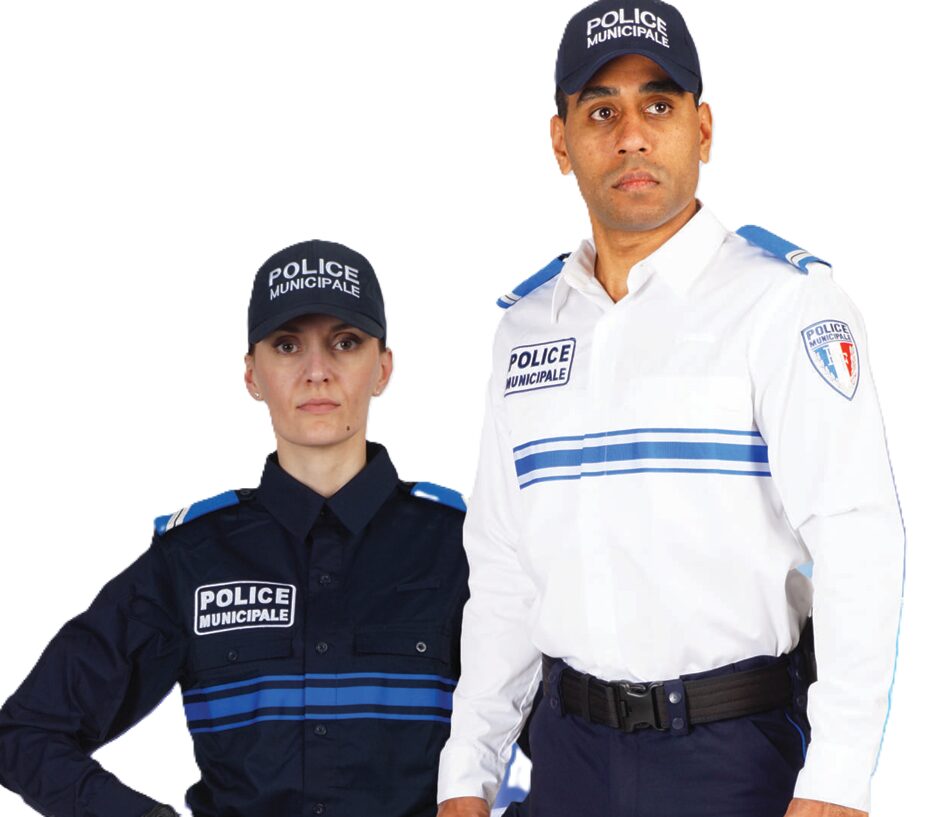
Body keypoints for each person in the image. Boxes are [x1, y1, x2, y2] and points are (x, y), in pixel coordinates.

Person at [436, 2, 905, 816]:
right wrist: (465, 773)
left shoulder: (782, 305)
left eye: (657, 105)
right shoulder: (526, 329)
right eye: (600, 112)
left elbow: (856, 539)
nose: (631, 136)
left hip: (731, 758)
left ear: (703, 129)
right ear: (560, 143)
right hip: (567, 757)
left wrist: (836, 781)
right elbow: (505, 571)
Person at [0, 240, 470, 817]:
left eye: (345, 343)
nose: (317, 372)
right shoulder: (193, 559)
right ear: (252, 375)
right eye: (287, 345)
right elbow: (27, 733)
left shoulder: (464, 548)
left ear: (383, 369)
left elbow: (561, 741)